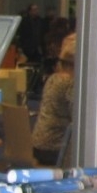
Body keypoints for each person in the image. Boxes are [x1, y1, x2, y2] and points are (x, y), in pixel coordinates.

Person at [32, 32, 75, 165]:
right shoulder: (69, 83)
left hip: (38, 145)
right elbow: (77, 116)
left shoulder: (52, 79)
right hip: (55, 148)